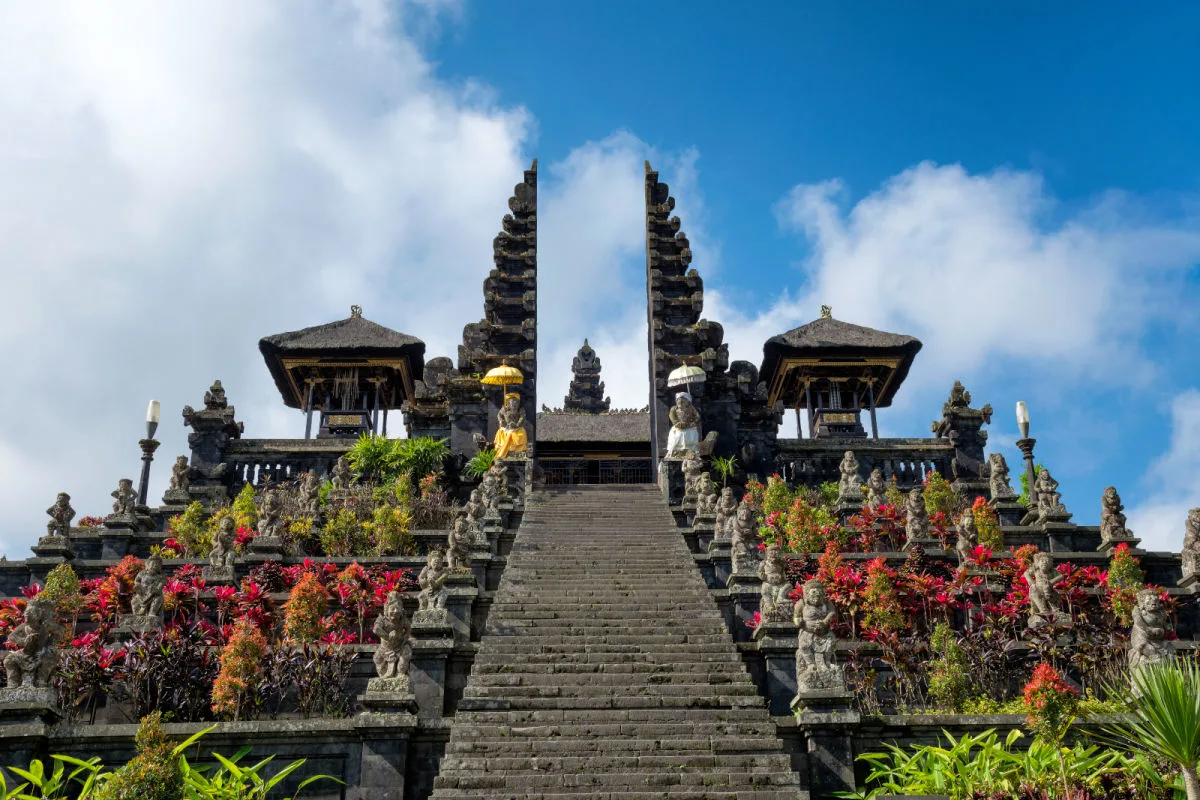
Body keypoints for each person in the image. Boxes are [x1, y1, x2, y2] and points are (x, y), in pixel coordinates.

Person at [493, 393, 528, 459]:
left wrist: (517, 425)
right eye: (512, 402)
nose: (514, 404)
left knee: (522, 432)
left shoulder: (521, 410)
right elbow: (499, 415)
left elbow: (522, 417)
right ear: (508, 403)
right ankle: (502, 449)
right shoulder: (504, 409)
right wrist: (501, 421)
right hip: (506, 427)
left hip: (517, 428)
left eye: (516, 402)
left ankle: (518, 450)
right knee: (500, 432)